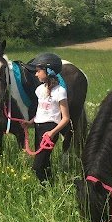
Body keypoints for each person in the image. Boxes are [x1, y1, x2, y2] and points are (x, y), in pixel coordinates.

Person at [24, 53, 70, 183]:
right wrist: (30, 122)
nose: (36, 74)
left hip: (50, 128)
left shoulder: (60, 91)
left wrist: (52, 132)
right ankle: (50, 186)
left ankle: (44, 187)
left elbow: (65, 118)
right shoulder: (39, 90)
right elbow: (41, 112)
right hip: (39, 127)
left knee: (37, 166)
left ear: (48, 71)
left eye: (38, 71)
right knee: (44, 162)